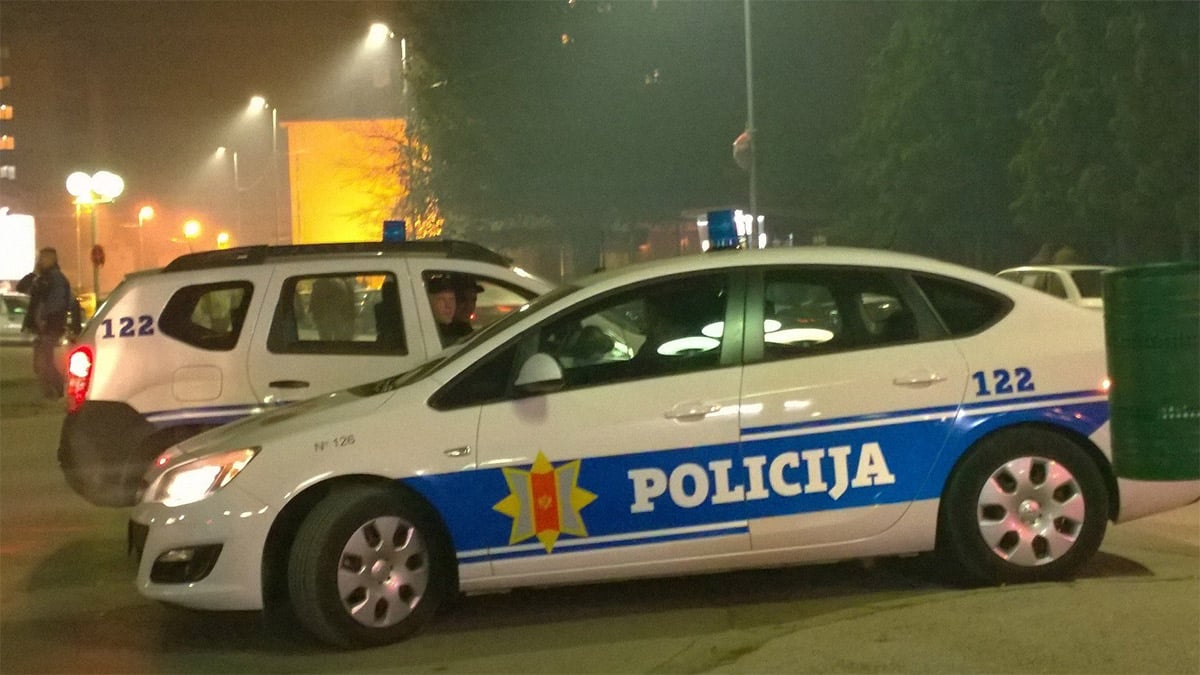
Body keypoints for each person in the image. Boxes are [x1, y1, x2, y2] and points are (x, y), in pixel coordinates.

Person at [17, 248, 73, 399]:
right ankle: (54, 391)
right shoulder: (43, 279)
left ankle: (57, 391)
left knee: (44, 362)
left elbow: (56, 304)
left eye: (42, 258)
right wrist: (34, 273)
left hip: (49, 327)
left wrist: (45, 321)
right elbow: (21, 287)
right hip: (43, 327)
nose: (40, 261)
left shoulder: (56, 280)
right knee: (41, 363)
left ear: (51, 259)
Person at [427, 275, 471, 346]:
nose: (448, 306)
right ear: (429, 302)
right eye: (441, 299)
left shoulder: (462, 331)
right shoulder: (424, 332)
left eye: (451, 299)